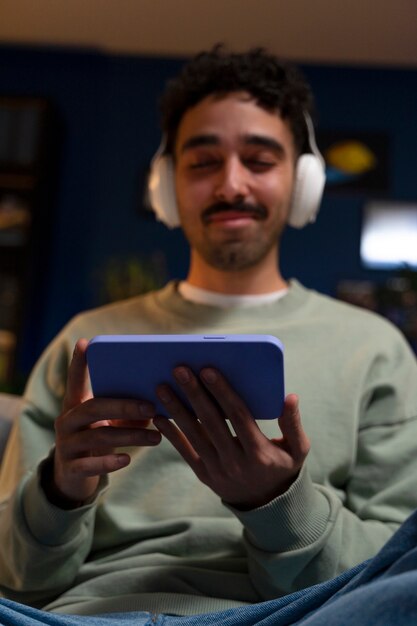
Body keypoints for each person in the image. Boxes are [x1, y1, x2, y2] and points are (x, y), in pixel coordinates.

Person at [1, 46, 417, 623]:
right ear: (165, 186)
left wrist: (276, 505)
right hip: (81, 615)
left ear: (303, 184)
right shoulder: (86, 340)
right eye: (202, 162)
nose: (231, 185)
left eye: (260, 159)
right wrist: (60, 490)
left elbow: (393, 569)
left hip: (295, 614)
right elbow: (15, 578)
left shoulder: (375, 350)